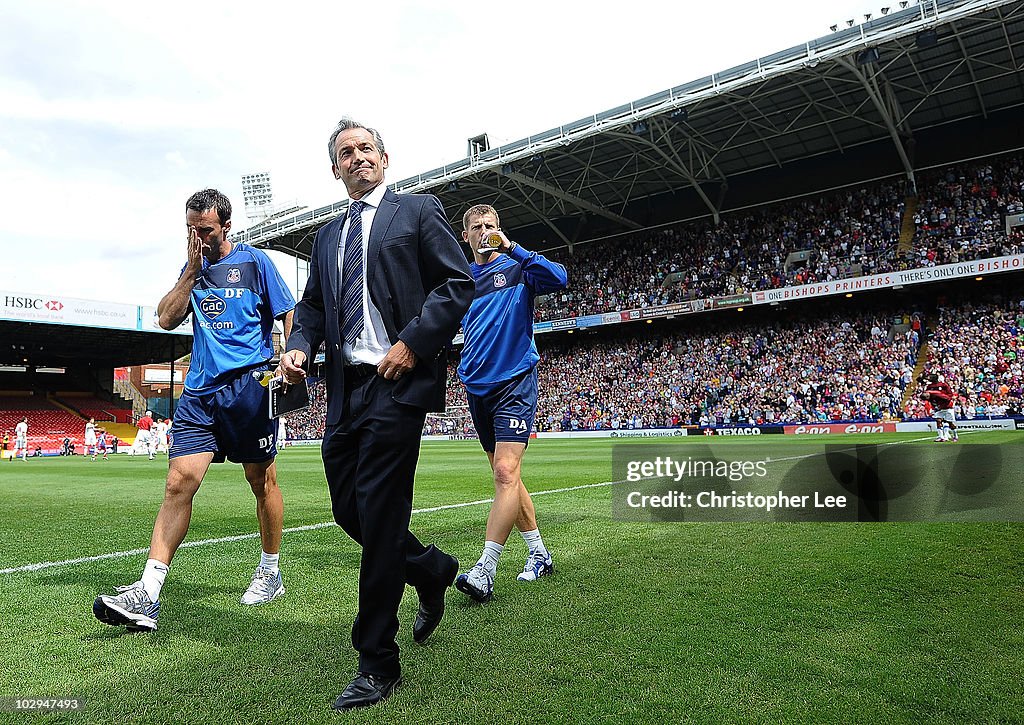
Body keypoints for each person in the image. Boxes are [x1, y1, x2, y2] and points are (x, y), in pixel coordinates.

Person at [277, 118, 474, 711]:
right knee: (349, 510)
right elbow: (312, 308)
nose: (357, 157)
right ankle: (432, 568)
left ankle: (376, 662)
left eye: (366, 148)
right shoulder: (327, 236)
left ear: (384, 158)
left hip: (398, 382)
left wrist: (413, 342)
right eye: (346, 152)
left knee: (382, 517)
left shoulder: (417, 211)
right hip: (345, 389)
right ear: (334, 168)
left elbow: (456, 283)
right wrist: (299, 346)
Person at [93, 188, 296, 633]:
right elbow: (166, 318)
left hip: (250, 387)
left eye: (204, 229)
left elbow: (287, 313)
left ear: (225, 226)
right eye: (190, 229)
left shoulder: (256, 262)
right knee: (177, 483)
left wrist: (288, 353)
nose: (197, 236)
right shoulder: (192, 271)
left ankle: (270, 570)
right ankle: (148, 592)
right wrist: (191, 269)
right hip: (200, 393)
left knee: (261, 480)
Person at [453, 204, 568, 603]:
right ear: (465, 235)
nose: (484, 231)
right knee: (508, 478)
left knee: (504, 472)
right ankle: (539, 553)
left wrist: (514, 247)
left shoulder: (517, 268)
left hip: (515, 382)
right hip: (475, 386)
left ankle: (485, 568)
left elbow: (559, 277)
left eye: (491, 226)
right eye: (477, 227)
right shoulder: (461, 279)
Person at [922, 373, 958, 442]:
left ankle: (955, 435)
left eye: (930, 377)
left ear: (934, 378)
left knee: (950, 423)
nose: (928, 378)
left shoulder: (943, 385)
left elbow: (950, 394)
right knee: (938, 420)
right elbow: (929, 396)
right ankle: (941, 437)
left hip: (947, 406)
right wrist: (933, 406)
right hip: (938, 407)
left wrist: (947, 398)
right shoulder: (929, 387)